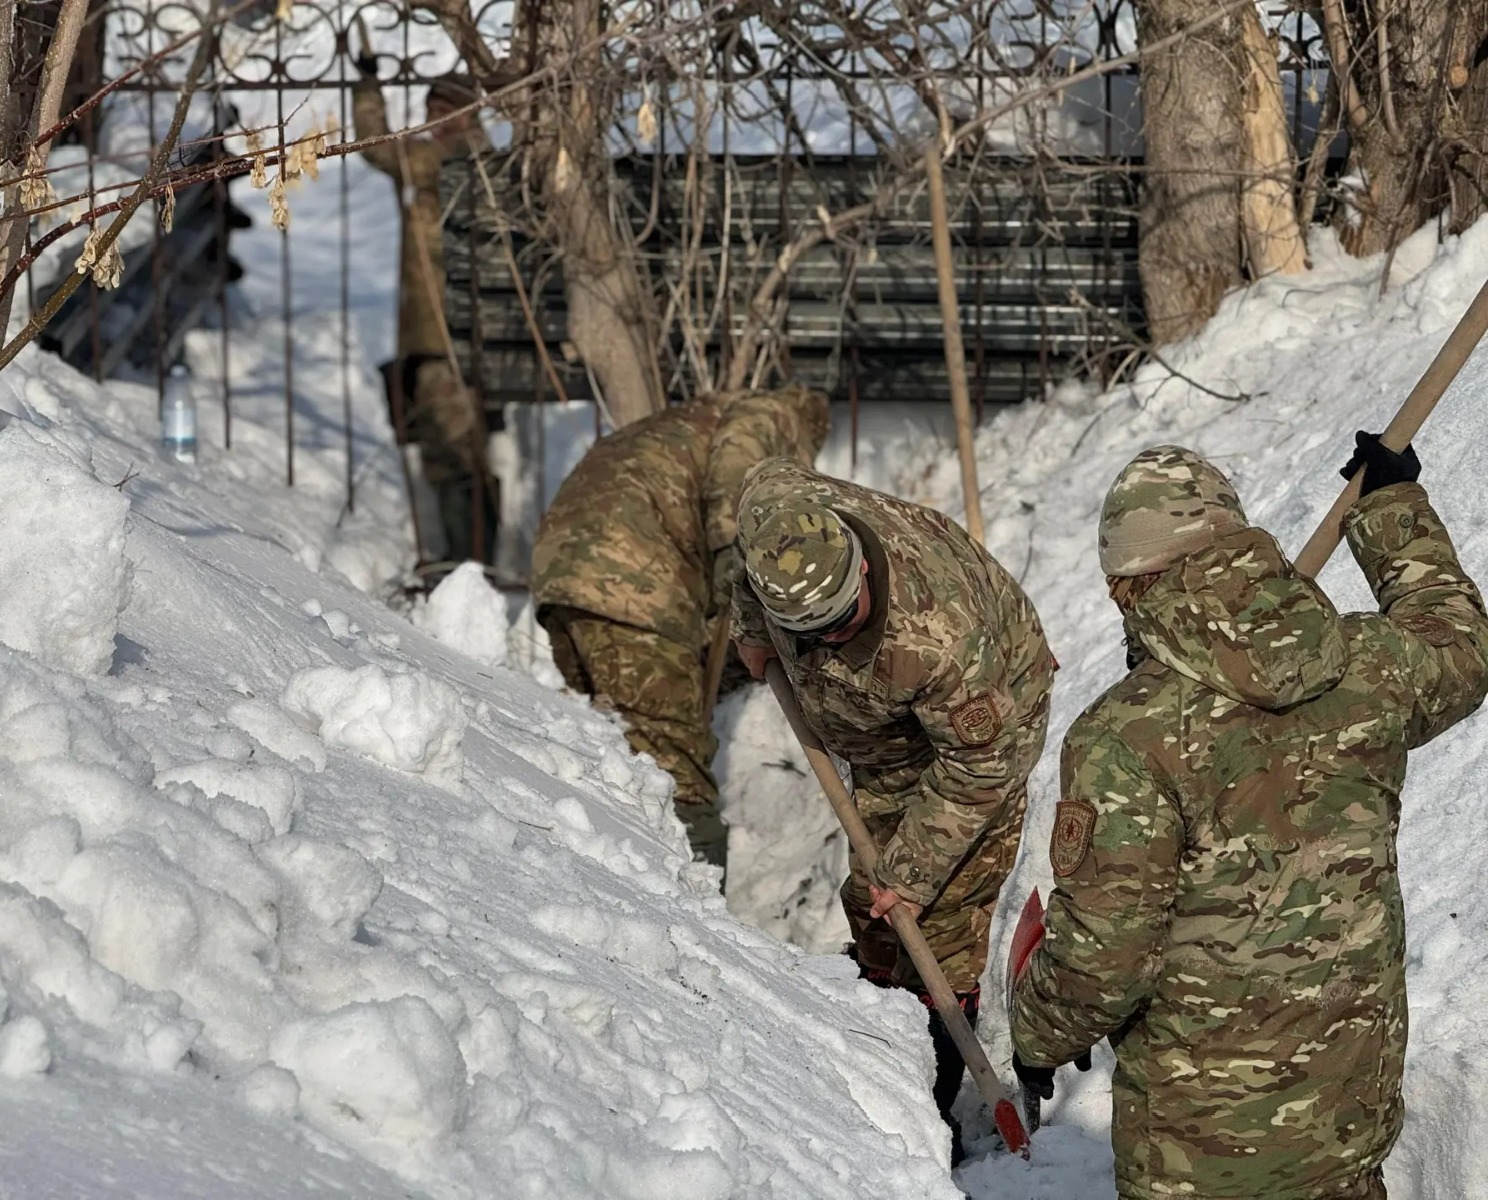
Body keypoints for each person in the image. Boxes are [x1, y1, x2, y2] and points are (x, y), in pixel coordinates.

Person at [1010, 440, 1488, 1200]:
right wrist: (1392, 508)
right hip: (1347, 1125)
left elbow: (1106, 959)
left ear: (1127, 587)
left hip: (1199, 1157)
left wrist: (1036, 1033)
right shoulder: (1369, 669)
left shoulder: (1125, 736)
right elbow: (1460, 645)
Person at [728, 458, 1054, 1152]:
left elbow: (980, 766)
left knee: (936, 913)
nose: (825, 644)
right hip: (884, 731)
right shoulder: (777, 513)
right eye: (807, 634)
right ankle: (871, 1025)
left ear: (863, 573)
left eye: (840, 623)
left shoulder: (939, 637)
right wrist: (753, 624)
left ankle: (925, 1106)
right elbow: (752, 534)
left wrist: (912, 870)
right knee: (873, 904)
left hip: (982, 733)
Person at [533, 387, 831, 876]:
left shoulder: (687, 420)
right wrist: (744, 604)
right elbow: (740, 503)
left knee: (616, 764)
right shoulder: (774, 413)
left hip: (566, 579)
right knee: (676, 782)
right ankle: (699, 928)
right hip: (631, 588)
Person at [353, 58, 498, 564]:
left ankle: (472, 561)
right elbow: (375, 146)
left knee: (459, 453)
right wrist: (368, 88)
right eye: (431, 110)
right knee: (444, 450)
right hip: (427, 333)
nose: (437, 120)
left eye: (448, 111)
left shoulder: (470, 161)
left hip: (463, 335)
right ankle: (463, 560)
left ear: (470, 116)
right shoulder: (421, 159)